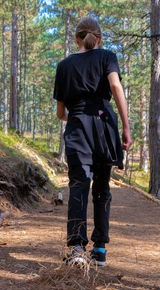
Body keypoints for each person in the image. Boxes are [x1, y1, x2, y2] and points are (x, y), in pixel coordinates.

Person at [53, 17, 132, 266]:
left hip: (77, 125)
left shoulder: (64, 66)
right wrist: (126, 128)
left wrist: (75, 118)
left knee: (78, 185)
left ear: (76, 39)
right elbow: (115, 87)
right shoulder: (107, 56)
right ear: (99, 39)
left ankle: (77, 249)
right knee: (102, 187)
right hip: (104, 124)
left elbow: (60, 113)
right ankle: (99, 250)